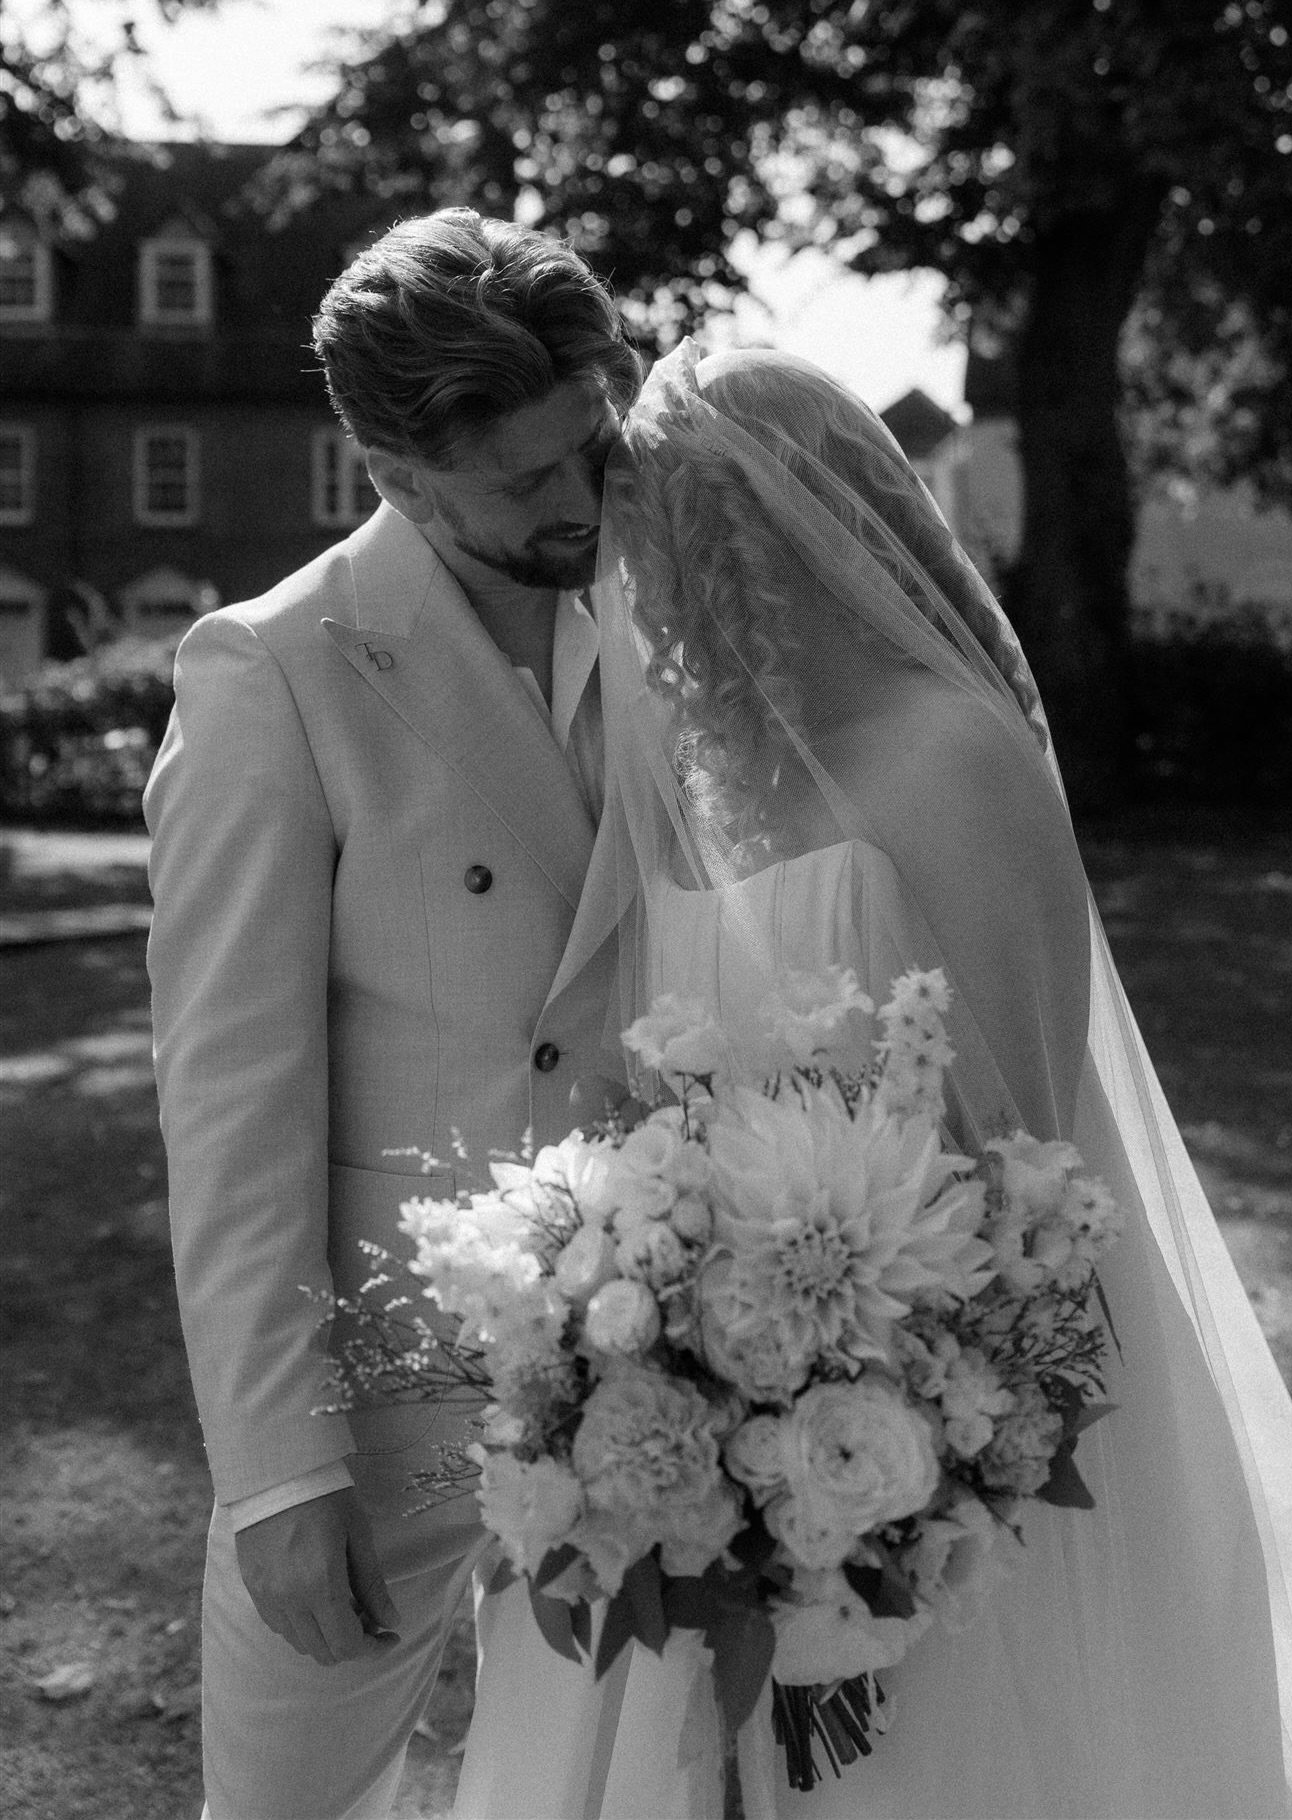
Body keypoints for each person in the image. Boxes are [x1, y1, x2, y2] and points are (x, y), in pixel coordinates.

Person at [450, 342, 1292, 1818]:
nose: (655, 588)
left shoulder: (953, 756)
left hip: (967, 1367)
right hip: (715, 1372)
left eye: (678, 539)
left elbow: (1029, 1130)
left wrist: (886, 1430)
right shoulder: (700, 794)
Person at [143, 207, 642, 1820]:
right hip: (377, 1395)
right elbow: (231, 1100)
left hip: (652, 1383)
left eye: (595, 442)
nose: (578, 501)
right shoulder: (270, 674)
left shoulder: (652, 623)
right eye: (525, 482)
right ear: (395, 469)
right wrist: (280, 1470)